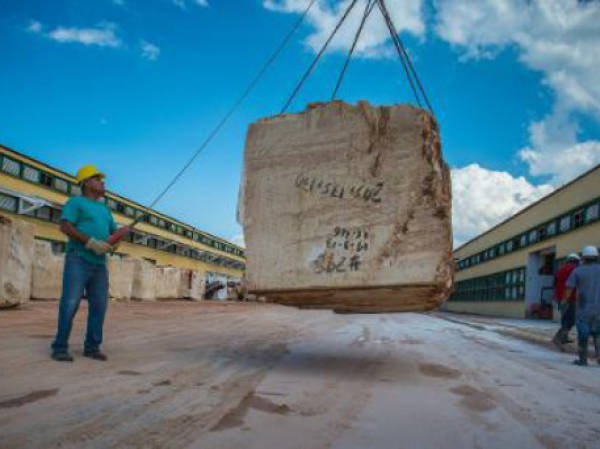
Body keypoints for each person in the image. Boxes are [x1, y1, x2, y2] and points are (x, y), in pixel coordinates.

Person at [51, 165, 130, 362]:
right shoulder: (75, 202)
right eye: (97, 178)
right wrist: (89, 242)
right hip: (78, 258)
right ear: (86, 182)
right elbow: (65, 225)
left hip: (99, 264)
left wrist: (116, 239)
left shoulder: (104, 210)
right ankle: (60, 347)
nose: (103, 182)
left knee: (99, 306)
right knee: (70, 303)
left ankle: (92, 347)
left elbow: (111, 235)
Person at [564, 245, 600, 366]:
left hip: (584, 309)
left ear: (583, 258)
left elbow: (569, 288)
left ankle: (583, 360)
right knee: (598, 335)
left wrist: (565, 301)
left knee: (583, 335)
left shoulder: (578, 271)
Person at [551, 253, 580, 348]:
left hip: (560, 298)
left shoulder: (560, 271)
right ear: (576, 262)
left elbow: (555, 284)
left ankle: (564, 337)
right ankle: (558, 338)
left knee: (565, 318)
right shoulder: (575, 270)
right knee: (571, 319)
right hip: (569, 298)